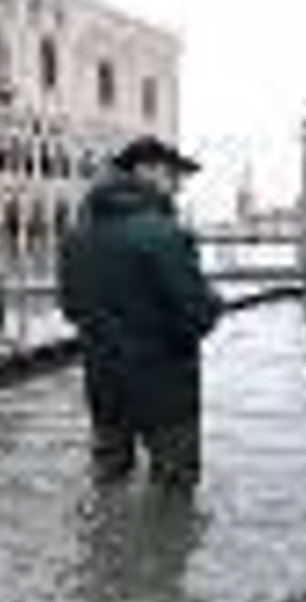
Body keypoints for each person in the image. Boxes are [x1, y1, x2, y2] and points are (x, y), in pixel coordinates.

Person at [58, 136, 225, 492]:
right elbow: (198, 315)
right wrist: (214, 301)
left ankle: (106, 548)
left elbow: (71, 309)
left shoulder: (76, 237)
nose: (178, 185)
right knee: (173, 495)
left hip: (104, 388)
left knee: (108, 484)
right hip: (165, 394)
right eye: (173, 174)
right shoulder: (166, 234)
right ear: (146, 170)